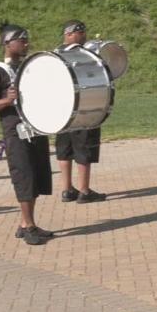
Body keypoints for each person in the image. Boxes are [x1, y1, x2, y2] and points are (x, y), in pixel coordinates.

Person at [0, 24, 53, 246]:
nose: (26, 44)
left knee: (36, 175)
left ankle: (25, 224)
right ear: (7, 43)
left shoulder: (29, 66)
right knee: (23, 176)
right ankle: (29, 226)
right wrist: (6, 101)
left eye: (26, 40)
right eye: (21, 40)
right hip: (15, 131)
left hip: (35, 128)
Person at [55, 20, 106, 204]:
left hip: (63, 111)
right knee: (81, 148)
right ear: (68, 34)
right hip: (84, 107)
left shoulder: (56, 53)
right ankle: (83, 191)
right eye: (79, 32)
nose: (83, 35)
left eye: (83, 31)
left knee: (65, 148)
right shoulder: (86, 55)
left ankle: (67, 190)